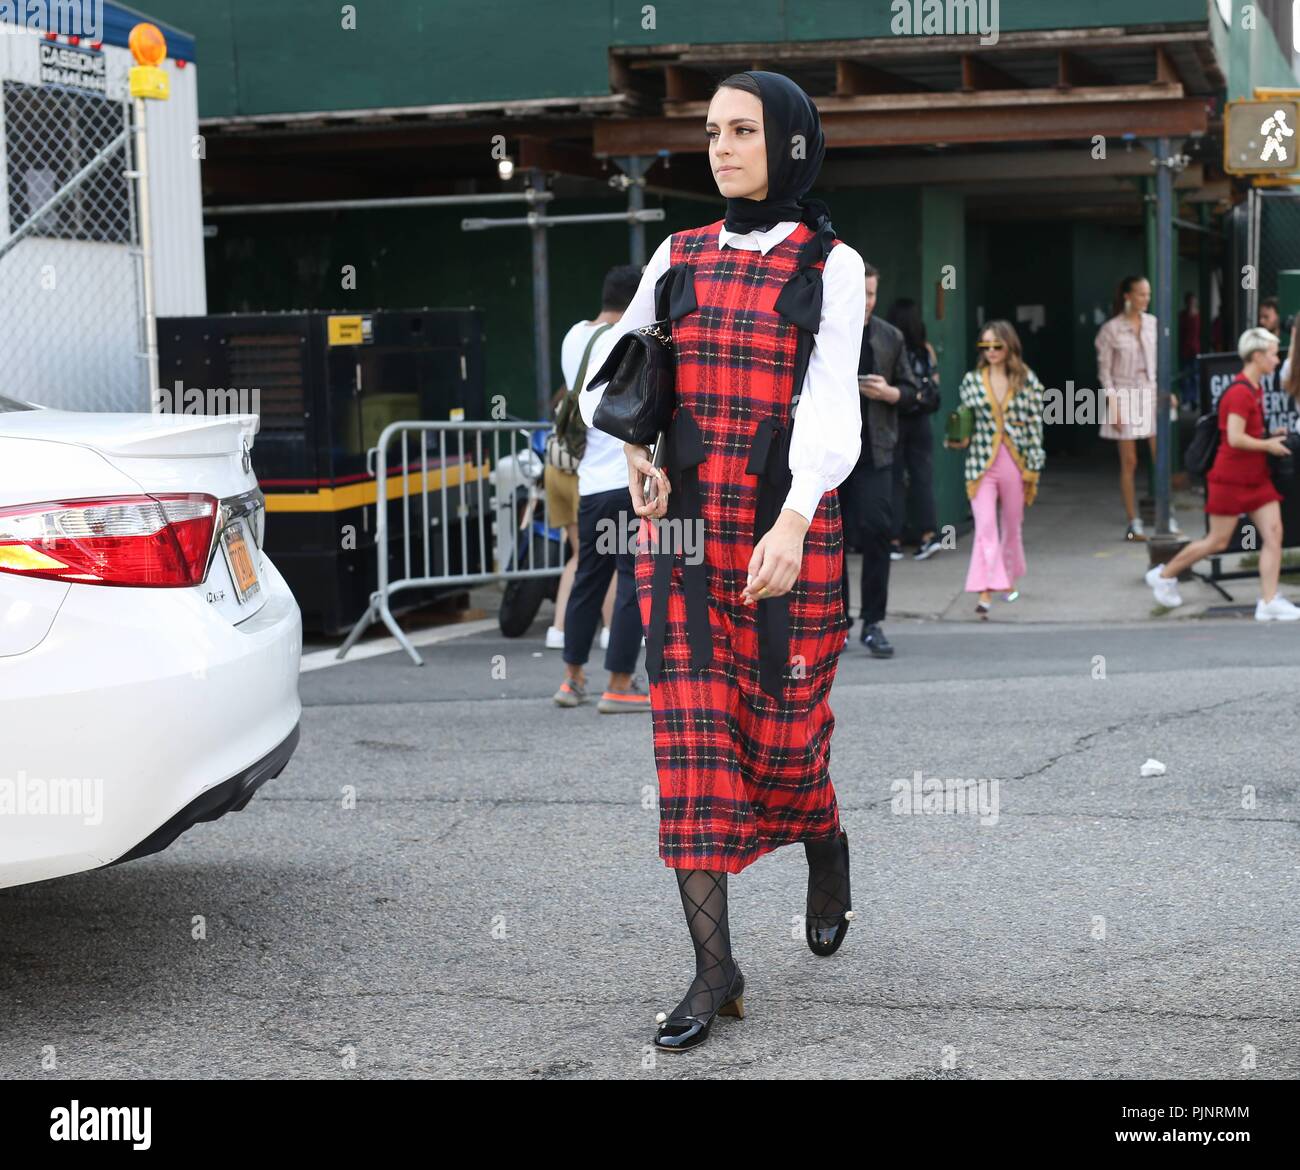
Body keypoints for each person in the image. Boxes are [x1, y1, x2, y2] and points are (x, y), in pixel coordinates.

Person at [579, 70, 865, 1052]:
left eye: (742, 130)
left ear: (787, 141)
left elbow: (831, 409)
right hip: (685, 539)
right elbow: (619, 373)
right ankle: (715, 972)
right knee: (693, 754)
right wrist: (637, 454)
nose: (722, 146)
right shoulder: (677, 254)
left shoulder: (829, 263)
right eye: (710, 131)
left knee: (785, 740)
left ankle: (823, 845)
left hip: (788, 527)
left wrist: (789, 521)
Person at [551, 265, 652, 714]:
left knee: (588, 580)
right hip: (626, 481)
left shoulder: (575, 337)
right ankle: (620, 684)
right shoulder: (632, 339)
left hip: (589, 482)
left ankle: (571, 680)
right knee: (631, 579)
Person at [1146, 328, 1300, 620]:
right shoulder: (1241, 392)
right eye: (1271, 354)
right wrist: (1267, 443)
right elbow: (1235, 438)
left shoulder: (1254, 388)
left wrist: (1269, 434)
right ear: (1257, 356)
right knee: (1216, 541)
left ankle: (1268, 601)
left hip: (1256, 477)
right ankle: (1165, 574)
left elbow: (1246, 434)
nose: (1276, 361)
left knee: (1274, 533)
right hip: (1230, 479)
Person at [838, 265, 920, 657]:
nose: (867, 302)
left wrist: (889, 393)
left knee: (876, 531)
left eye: (872, 294)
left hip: (876, 450)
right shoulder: (826, 329)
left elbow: (912, 391)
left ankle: (873, 622)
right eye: (861, 293)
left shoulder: (890, 336)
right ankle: (837, 621)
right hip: (832, 450)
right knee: (830, 538)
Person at [946, 321, 1045, 618]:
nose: (990, 351)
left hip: (1015, 463)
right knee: (986, 527)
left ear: (1008, 346)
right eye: (985, 345)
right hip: (980, 463)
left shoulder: (1027, 380)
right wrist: (958, 433)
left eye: (996, 345)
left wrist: (1034, 465)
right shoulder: (972, 381)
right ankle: (987, 590)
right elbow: (965, 417)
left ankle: (1008, 578)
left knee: (1012, 526)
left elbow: (1034, 426)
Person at [1096, 275, 1180, 541]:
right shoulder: (1110, 330)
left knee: (1161, 457)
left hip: (1151, 391)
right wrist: (1113, 405)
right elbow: (1105, 372)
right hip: (1123, 393)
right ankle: (1134, 522)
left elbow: (1160, 363)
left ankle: (1167, 515)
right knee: (1129, 461)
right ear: (1127, 296)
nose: (1146, 299)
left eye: (1148, 294)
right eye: (1141, 294)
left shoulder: (1154, 324)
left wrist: (1167, 392)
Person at [542, 384, 617, 652]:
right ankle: (611, 630)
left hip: (555, 471)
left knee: (579, 555)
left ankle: (558, 630)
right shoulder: (606, 385)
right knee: (607, 557)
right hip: (582, 476)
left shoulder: (570, 390)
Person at [885, 297, 942, 562]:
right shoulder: (925, 349)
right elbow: (935, 384)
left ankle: (893, 540)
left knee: (894, 478)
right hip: (920, 420)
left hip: (894, 416)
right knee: (922, 477)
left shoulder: (889, 346)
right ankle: (928, 535)